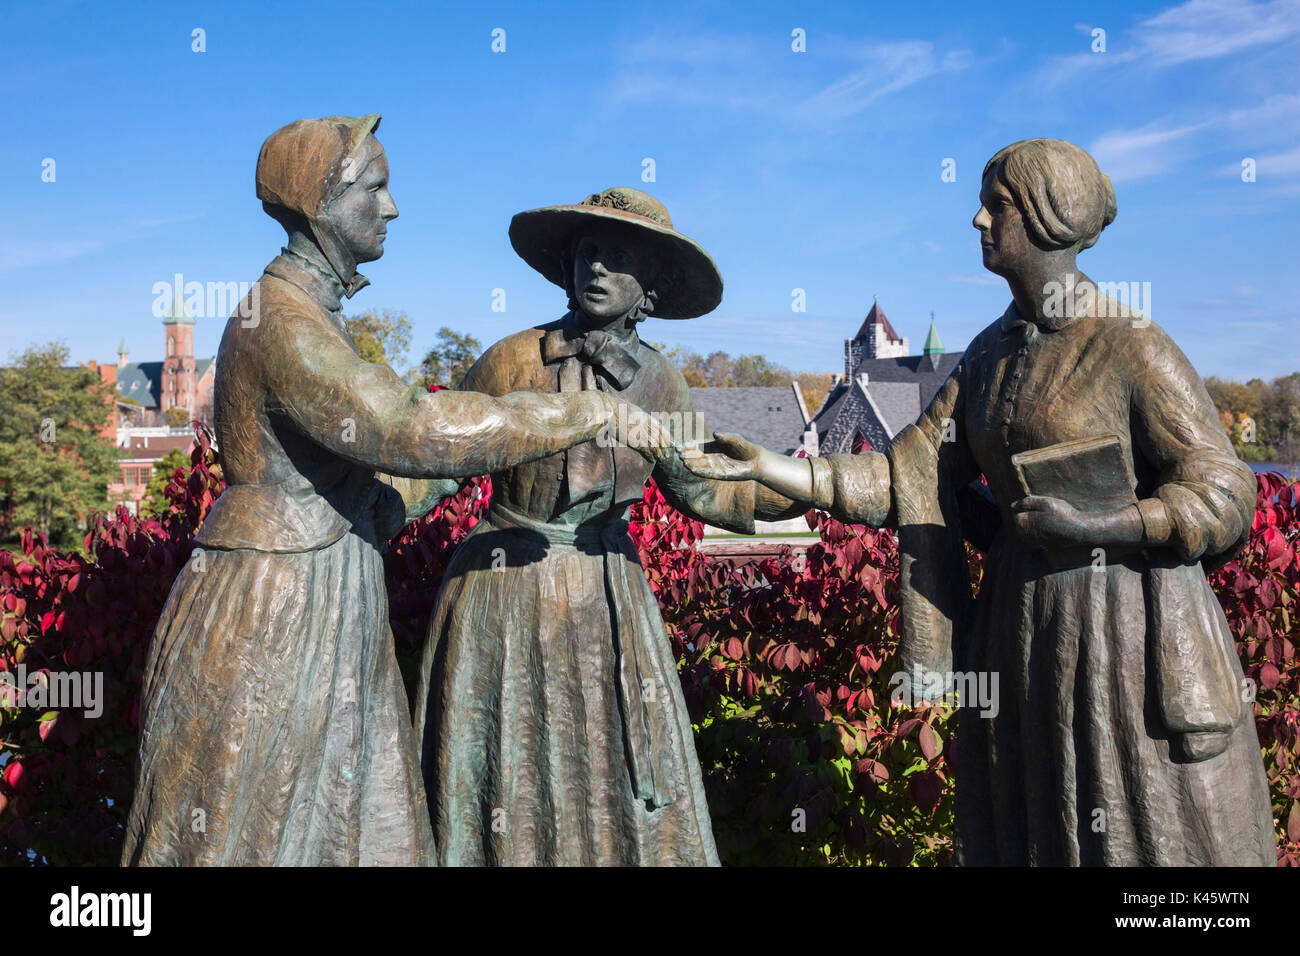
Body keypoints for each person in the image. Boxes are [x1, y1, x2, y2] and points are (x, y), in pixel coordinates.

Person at [682, 139, 1277, 866]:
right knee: (1031, 824)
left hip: (1123, 633)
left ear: (1050, 217)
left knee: (1133, 829)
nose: (977, 221)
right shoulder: (989, 356)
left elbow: (1225, 489)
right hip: (1020, 631)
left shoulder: (1132, 346)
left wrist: (1113, 523)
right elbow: (910, 474)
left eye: (997, 206)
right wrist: (778, 466)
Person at [121, 117, 663, 866]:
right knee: (252, 830)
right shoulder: (283, 321)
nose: (392, 206)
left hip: (327, 585)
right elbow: (407, 426)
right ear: (322, 202)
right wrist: (585, 411)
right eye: (374, 187)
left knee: (358, 828)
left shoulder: (311, 311)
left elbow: (384, 475)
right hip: (277, 605)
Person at [414, 187, 805, 865]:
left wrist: (803, 489)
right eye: (587, 252)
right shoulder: (513, 359)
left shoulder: (659, 383)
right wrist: (362, 502)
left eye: (617, 256)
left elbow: (702, 490)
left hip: (605, 595)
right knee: (510, 763)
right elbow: (442, 459)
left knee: (604, 763)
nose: (595, 267)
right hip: (504, 593)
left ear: (650, 283)